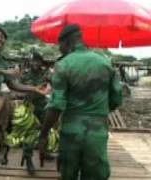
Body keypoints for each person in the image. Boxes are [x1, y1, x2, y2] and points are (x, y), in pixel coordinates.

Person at [39, 24, 123, 180]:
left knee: (68, 174)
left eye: (60, 46)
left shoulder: (63, 65)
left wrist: (43, 135)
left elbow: (56, 105)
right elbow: (116, 99)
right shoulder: (105, 63)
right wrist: (97, 112)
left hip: (71, 133)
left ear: (66, 42)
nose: (60, 50)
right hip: (97, 133)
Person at [0, 26, 47, 180]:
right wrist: (2, 72)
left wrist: (33, 88)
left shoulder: (3, 61)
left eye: (2, 37)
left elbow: (13, 85)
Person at [19, 51, 53, 174]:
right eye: (33, 61)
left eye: (38, 61)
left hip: (43, 105)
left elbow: (52, 83)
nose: (35, 63)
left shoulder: (45, 73)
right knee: (29, 133)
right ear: (30, 62)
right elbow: (18, 87)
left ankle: (44, 151)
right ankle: (28, 159)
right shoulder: (25, 75)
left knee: (47, 129)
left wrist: (50, 83)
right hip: (29, 107)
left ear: (41, 62)